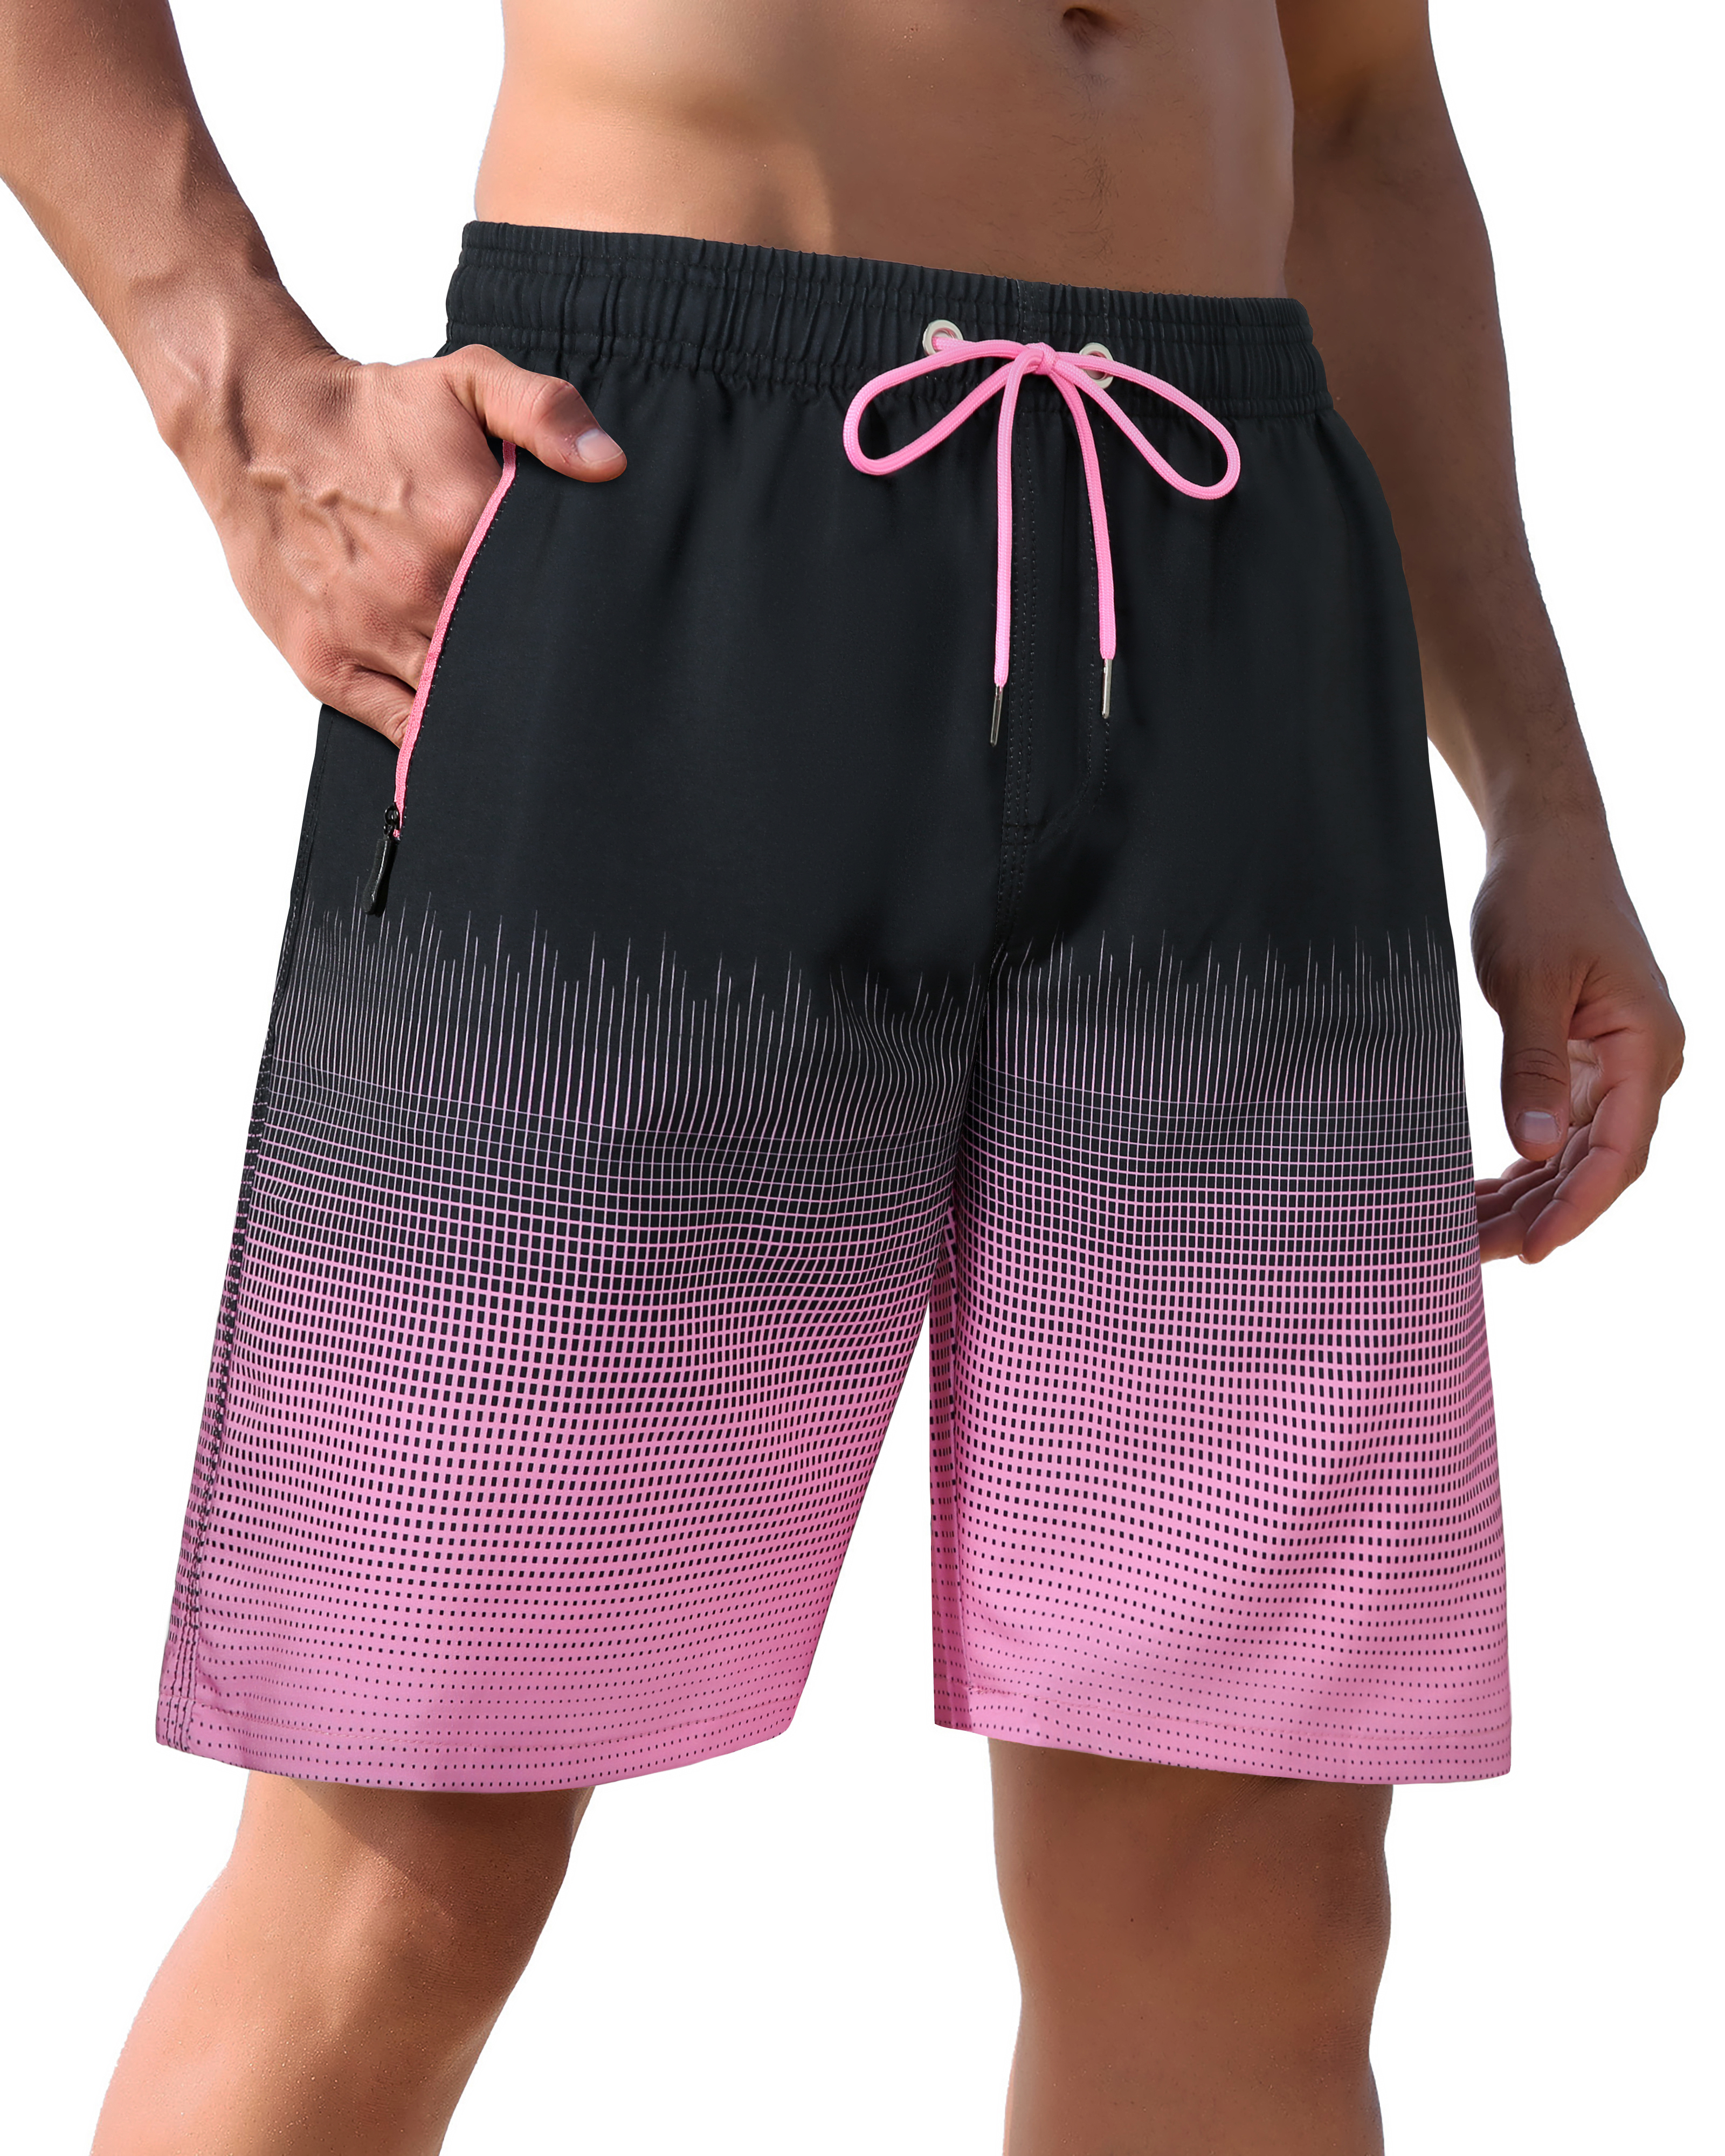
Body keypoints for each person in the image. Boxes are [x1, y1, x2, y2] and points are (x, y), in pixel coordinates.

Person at [0, 1, 1685, 2150]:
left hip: (1234, 562)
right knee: (406, 1865)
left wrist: (1541, 793)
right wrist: (229, 378)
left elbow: (1354, 122)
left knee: (1245, 1890)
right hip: (666, 513)